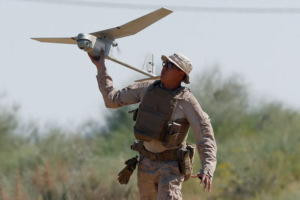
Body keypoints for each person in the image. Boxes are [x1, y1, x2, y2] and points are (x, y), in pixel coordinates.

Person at [89, 49, 217, 200]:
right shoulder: (147, 89)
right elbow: (112, 100)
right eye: (165, 63)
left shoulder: (187, 101)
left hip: (171, 168)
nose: (164, 67)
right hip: (145, 165)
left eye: (170, 65)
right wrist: (101, 67)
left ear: (181, 74)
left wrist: (207, 168)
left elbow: (205, 136)